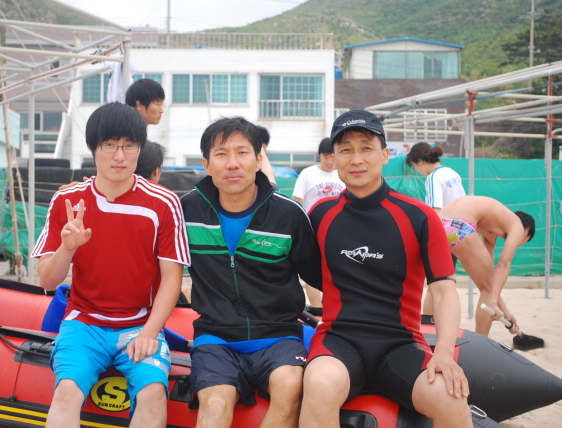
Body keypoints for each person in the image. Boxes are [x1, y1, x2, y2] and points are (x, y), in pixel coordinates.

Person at [300, 110, 472, 428]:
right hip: (338, 339)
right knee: (319, 385)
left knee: (450, 398)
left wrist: (444, 353)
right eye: (345, 150)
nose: (356, 159)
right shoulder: (320, 214)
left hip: (401, 343)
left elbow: (444, 292)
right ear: (333, 159)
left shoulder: (419, 217)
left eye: (366, 147)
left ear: (384, 154)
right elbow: (309, 274)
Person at [31, 103, 190, 428]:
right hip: (83, 323)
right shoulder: (67, 201)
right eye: (109, 145)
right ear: (93, 148)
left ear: (139, 149)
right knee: (66, 391)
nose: (120, 156)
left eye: (129, 146)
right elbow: (47, 280)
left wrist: (150, 333)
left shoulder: (164, 203)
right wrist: (67, 248)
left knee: (153, 394)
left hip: (140, 324)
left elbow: (171, 280)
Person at [181, 116, 322, 428]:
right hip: (215, 338)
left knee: (290, 388)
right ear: (206, 164)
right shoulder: (185, 212)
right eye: (221, 154)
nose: (232, 163)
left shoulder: (288, 215)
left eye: (242, 152)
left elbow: (320, 277)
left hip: (279, 336)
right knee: (214, 404)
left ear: (259, 160)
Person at [429, 196, 535, 337]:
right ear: (527, 230)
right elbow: (503, 265)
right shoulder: (518, 226)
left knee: (436, 285)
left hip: (436, 224)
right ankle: (480, 342)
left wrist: (505, 312)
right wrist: (493, 303)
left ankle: (427, 333)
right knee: (488, 292)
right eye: (523, 241)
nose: (518, 244)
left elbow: (488, 280)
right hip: (460, 226)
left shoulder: (490, 231)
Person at [292, 137, 345, 309]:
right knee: (313, 269)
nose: (329, 161)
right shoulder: (308, 174)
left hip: (339, 229)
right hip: (313, 229)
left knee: (338, 269)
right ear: (320, 155)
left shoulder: (343, 173)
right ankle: (317, 309)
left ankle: (335, 307)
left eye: (332, 156)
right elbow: (297, 201)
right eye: (325, 156)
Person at [405, 142, 465, 214]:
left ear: (420, 161)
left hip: (446, 220)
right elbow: (463, 201)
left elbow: (435, 211)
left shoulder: (433, 178)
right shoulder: (452, 173)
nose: (417, 170)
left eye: (415, 166)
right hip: (461, 218)